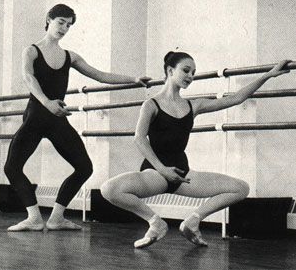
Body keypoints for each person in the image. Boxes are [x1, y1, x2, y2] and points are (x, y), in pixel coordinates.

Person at [100, 52, 290, 248]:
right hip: (155, 173)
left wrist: (269, 74)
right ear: (170, 70)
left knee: (241, 188)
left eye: (193, 72)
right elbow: (139, 139)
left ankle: (193, 220)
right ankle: (156, 223)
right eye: (186, 70)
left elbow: (237, 98)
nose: (190, 76)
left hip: (183, 175)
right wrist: (162, 169)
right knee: (109, 189)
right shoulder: (151, 104)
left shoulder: (194, 105)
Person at [4, 4, 150, 231]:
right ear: (49, 19)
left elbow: (100, 75)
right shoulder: (31, 51)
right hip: (36, 116)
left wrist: (133, 79)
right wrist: (47, 103)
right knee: (12, 168)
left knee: (84, 167)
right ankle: (33, 217)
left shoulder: (69, 56)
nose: (64, 28)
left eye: (69, 25)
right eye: (61, 22)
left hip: (56, 119)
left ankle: (56, 218)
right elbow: (28, 78)